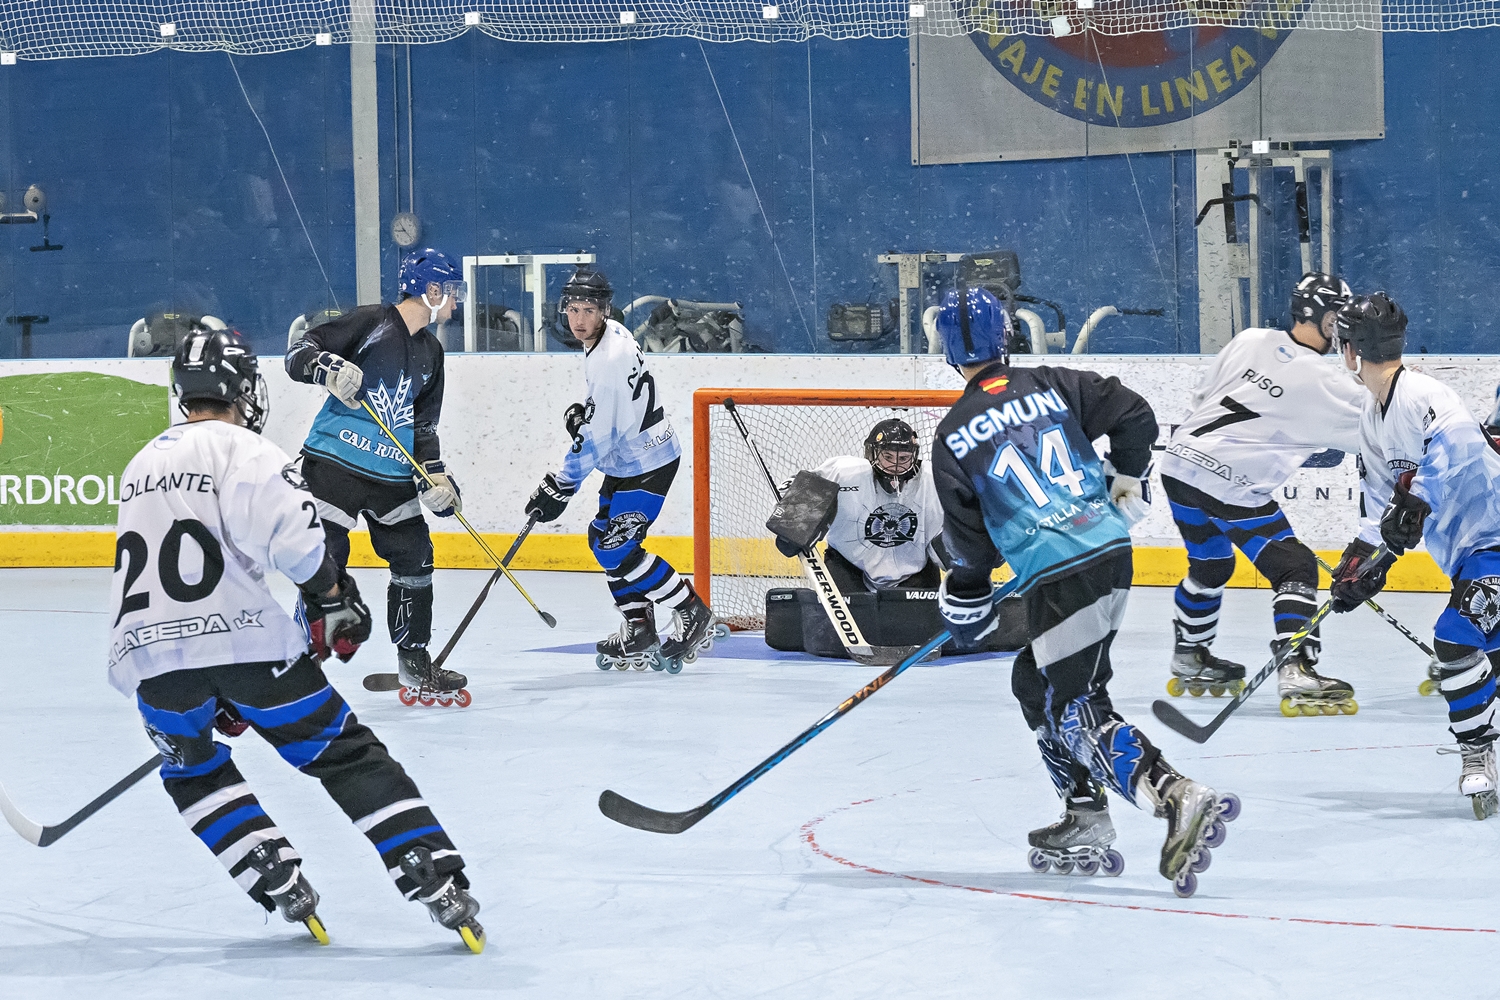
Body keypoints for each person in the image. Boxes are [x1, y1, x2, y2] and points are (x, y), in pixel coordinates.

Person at [108, 328, 483, 950]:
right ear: (243, 390)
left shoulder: (140, 463)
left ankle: (270, 870)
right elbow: (302, 547)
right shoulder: (249, 453)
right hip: (250, 650)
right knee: (344, 754)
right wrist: (333, 600)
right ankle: (428, 870)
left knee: (192, 769)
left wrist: (204, 675)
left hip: (151, 662)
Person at [930, 285, 1238, 897]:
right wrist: (1126, 476)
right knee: (1036, 683)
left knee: (1075, 707)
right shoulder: (1053, 382)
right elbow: (1136, 416)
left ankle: (1175, 793)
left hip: (1056, 573)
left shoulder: (953, 433)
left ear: (947, 350)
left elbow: (970, 548)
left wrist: (964, 602)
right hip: (1108, 551)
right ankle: (1085, 813)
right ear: (1006, 338)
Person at [1328, 292, 1500, 819]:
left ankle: (1477, 752)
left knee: (1453, 639)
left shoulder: (1423, 393)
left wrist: (1417, 500)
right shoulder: (1371, 415)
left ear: (1352, 350)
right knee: (1480, 655)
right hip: (1470, 554)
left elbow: (1461, 446)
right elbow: (1378, 500)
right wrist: (1363, 561)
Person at [1158, 272, 1363, 713]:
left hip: (1178, 466)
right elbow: (1382, 428)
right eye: (1338, 319)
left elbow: (1203, 396)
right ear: (1325, 319)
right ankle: (1296, 670)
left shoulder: (1251, 339)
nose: (1342, 329)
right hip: (1229, 484)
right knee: (1295, 566)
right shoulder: (1327, 382)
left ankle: (1189, 657)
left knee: (1210, 565)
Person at [284, 248, 467, 696]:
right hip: (334, 463)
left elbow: (423, 428)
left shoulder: (433, 352)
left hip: (391, 476)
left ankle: (413, 660)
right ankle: (299, 656)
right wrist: (325, 367)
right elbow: (298, 353)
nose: (459, 302)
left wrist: (436, 479)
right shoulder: (371, 321)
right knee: (324, 557)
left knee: (415, 557)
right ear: (433, 289)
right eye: (454, 291)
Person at [524, 267, 722, 672]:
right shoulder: (611, 333)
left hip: (647, 464)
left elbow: (598, 438)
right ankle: (639, 625)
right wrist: (589, 415)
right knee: (603, 539)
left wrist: (560, 486)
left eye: (588, 310)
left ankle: (691, 611)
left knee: (616, 548)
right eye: (573, 309)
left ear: (605, 310)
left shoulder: (609, 359)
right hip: (631, 458)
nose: (578, 320)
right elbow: (610, 413)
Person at [777, 418, 946, 593]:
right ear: (871, 453)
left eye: (903, 458)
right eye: (887, 456)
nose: (895, 466)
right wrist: (795, 513)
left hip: (915, 574)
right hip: (848, 567)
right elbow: (790, 488)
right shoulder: (844, 473)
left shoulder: (933, 479)